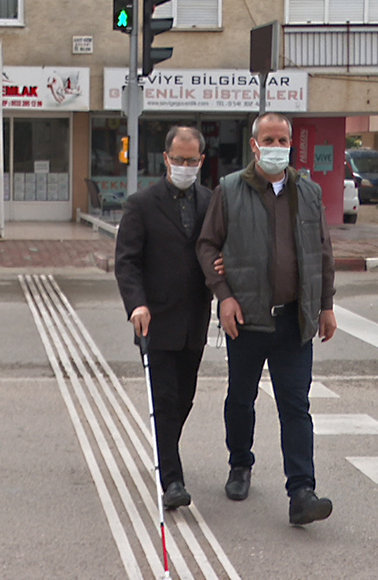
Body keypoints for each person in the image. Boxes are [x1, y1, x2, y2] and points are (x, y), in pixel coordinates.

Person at [196, 112, 338, 526]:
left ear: (290, 144)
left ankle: (301, 492)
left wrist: (326, 304)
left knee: (296, 406)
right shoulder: (229, 190)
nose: (276, 146)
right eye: (268, 139)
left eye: (282, 139)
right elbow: (207, 247)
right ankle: (240, 464)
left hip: (295, 321)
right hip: (247, 318)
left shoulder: (308, 193)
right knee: (241, 399)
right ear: (254, 144)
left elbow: (322, 253)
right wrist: (223, 297)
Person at [114, 126, 213, 510]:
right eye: (178, 159)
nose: (185, 166)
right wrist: (136, 304)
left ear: (201, 161)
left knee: (184, 399)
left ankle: (165, 451)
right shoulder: (141, 204)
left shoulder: (210, 202)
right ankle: (172, 479)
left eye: (192, 161)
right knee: (166, 399)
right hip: (155, 321)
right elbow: (127, 262)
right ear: (166, 158)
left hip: (194, 321)